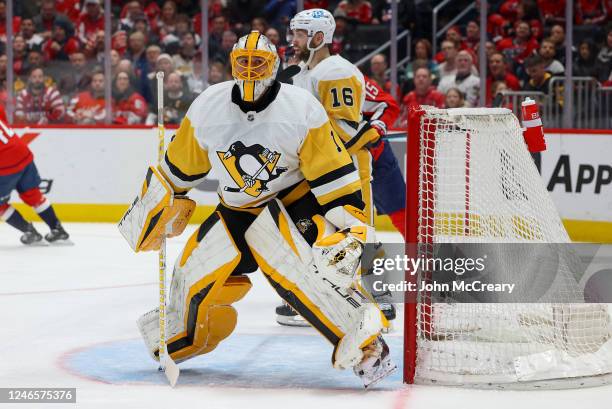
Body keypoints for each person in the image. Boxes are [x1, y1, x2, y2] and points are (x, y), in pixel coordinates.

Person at [119, 31, 394, 388]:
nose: (249, 71)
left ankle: (369, 350)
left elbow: (332, 171)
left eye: (257, 63)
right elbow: (179, 169)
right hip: (235, 207)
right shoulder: (207, 106)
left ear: (274, 66)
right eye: (243, 63)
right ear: (233, 64)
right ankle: (182, 338)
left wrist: (350, 226)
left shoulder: (301, 108)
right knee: (191, 272)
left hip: (292, 201)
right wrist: (153, 210)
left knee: (304, 274)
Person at [279, 8, 393, 324]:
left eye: (300, 34)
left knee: (361, 233)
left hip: (348, 171)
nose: (293, 40)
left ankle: (378, 296)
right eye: (293, 33)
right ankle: (318, 298)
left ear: (319, 37)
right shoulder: (300, 72)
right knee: (316, 234)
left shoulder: (335, 71)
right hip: (314, 170)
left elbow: (342, 128)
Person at [0, 105, 70, 244]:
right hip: (22, 152)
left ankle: (30, 232)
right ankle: (57, 230)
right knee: (32, 194)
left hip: (4, 163)